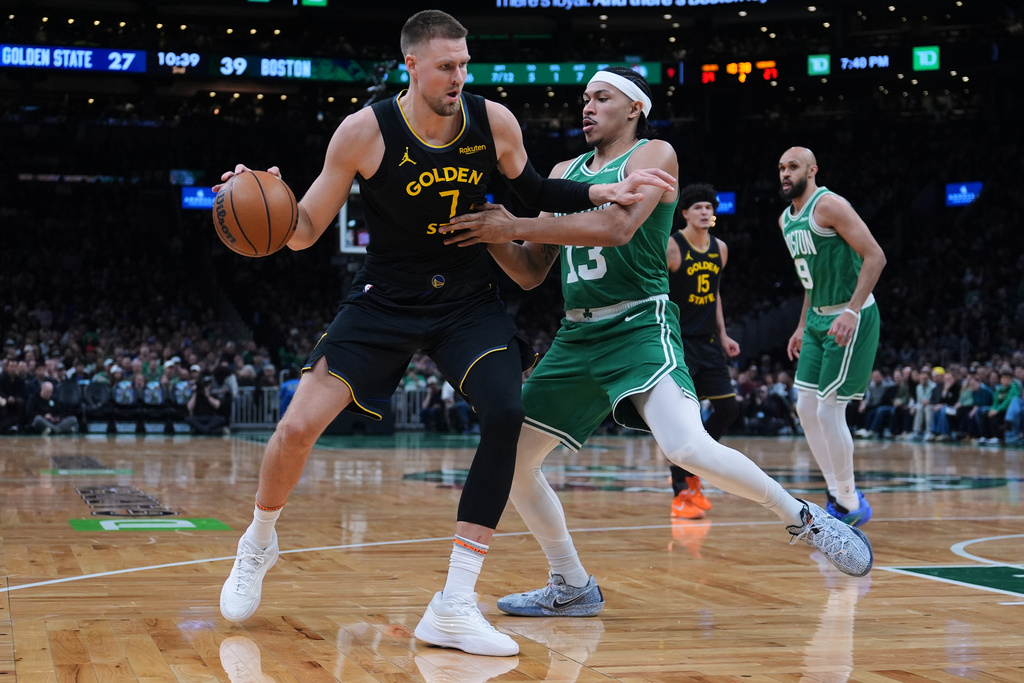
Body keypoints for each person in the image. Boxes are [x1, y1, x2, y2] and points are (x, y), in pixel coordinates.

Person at [215, 9, 674, 659]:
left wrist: (605, 186)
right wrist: (258, 194)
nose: (461, 76)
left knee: (507, 411)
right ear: (412, 65)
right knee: (294, 426)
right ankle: (258, 542)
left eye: (465, 64)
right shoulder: (363, 132)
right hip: (385, 300)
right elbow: (303, 229)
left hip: (465, 300)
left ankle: (455, 601)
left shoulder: (495, 123)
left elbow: (538, 189)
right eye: (447, 66)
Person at [444, 67, 873, 621]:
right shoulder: (561, 172)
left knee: (685, 447)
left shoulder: (655, 156)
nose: (588, 107)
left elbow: (616, 229)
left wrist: (516, 223)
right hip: (577, 335)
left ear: (634, 108)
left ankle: (805, 517)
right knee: (512, 461)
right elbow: (529, 271)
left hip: (640, 326)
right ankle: (570, 582)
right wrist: (485, 233)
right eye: (585, 99)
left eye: (602, 97)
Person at [778, 146, 886, 527]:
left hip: (850, 314)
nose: (785, 173)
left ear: (812, 169)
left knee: (828, 409)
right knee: (805, 409)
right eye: (781, 168)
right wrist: (800, 324)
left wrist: (852, 311)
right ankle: (838, 495)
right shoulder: (785, 220)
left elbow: (875, 256)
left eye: (793, 167)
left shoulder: (830, 205)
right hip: (817, 320)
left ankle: (848, 500)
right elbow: (811, 279)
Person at [664, 183, 741, 519]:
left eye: (710, 207)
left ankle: (695, 466)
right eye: (698, 207)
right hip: (678, 342)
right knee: (683, 420)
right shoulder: (672, 246)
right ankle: (681, 490)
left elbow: (716, 295)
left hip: (708, 342)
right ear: (684, 213)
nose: (706, 212)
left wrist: (724, 334)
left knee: (728, 408)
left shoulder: (720, 248)